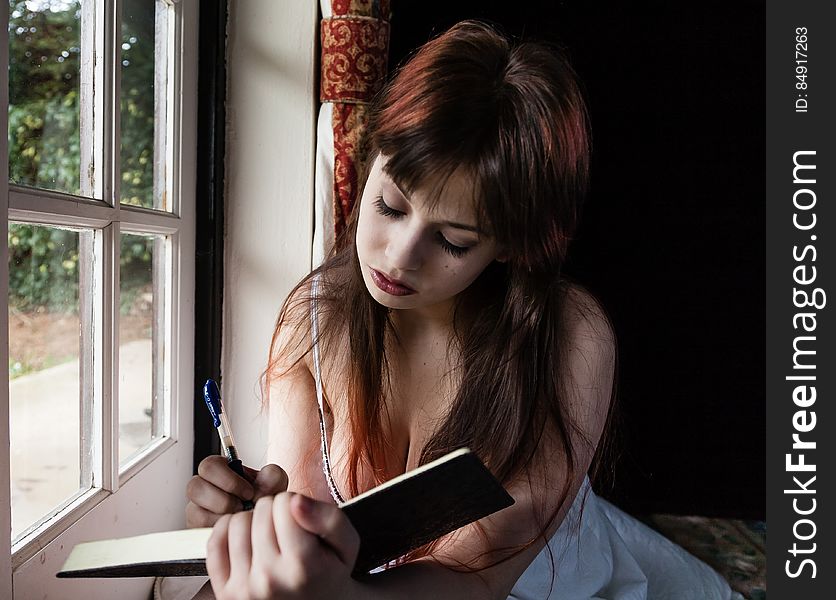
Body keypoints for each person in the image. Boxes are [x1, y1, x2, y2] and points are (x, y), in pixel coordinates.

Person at [181, 20, 740, 600]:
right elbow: (308, 532)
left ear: (512, 246)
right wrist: (252, 527)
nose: (399, 257)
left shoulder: (568, 338)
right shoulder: (314, 322)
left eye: (454, 241)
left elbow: (479, 581)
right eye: (389, 205)